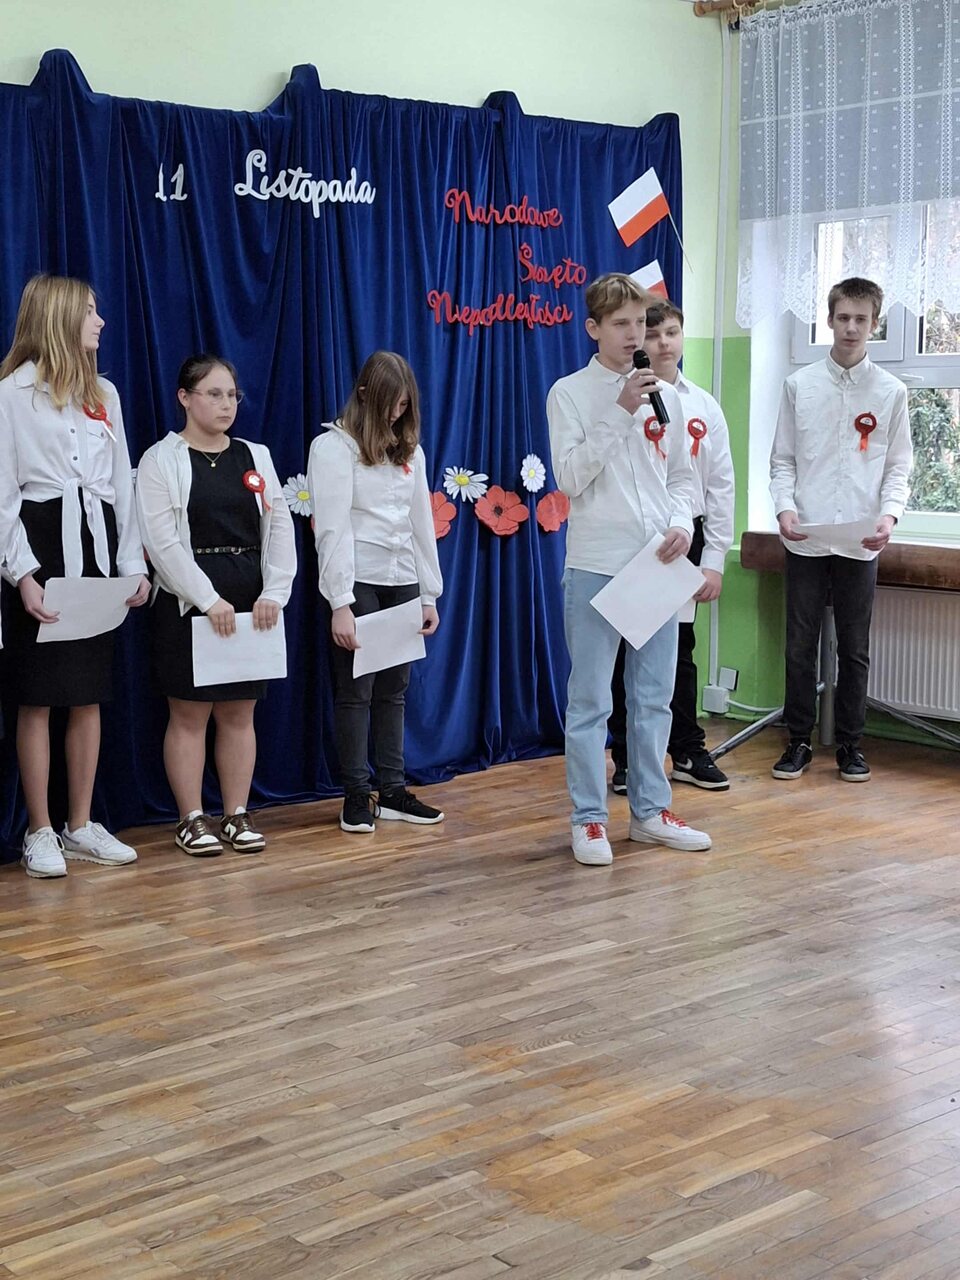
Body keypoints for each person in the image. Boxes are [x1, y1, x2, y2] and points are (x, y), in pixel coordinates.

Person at [547, 273, 711, 866]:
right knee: (591, 701)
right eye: (621, 324)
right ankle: (589, 819)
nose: (634, 335)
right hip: (598, 564)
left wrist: (682, 524)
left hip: (656, 564)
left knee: (654, 698)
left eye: (640, 323)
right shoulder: (570, 393)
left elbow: (681, 477)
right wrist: (620, 412)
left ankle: (650, 812)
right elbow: (570, 478)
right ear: (594, 328)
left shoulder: (664, 394)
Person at [0, 274, 149, 878]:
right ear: (59, 317)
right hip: (40, 548)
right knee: (37, 697)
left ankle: (80, 824)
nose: (100, 321)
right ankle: (39, 829)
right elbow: (3, 495)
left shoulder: (103, 393)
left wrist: (131, 565)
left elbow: (121, 484)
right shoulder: (11, 394)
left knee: (89, 692)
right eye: (89, 311)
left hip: (95, 545)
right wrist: (22, 573)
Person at [135, 354, 296, 854]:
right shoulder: (161, 459)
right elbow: (161, 542)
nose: (227, 405)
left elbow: (280, 526)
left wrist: (274, 592)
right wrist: (207, 599)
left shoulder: (255, 455)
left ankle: (236, 813)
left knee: (239, 714)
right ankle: (191, 818)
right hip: (189, 604)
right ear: (185, 398)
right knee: (189, 714)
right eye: (214, 394)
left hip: (250, 602)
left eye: (232, 395)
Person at [769, 276, 913, 782]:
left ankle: (851, 745)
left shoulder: (891, 392)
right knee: (799, 645)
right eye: (843, 317)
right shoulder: (799, 386)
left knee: (854, 648)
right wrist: (784, 509)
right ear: (829, 320)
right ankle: (798, 741)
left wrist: (889, 516)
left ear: (875, 324)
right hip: (805, 536)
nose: (851, 327)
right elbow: (783, 460)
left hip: (861, 539)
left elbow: (898, 466)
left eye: (861, 319)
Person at [307, 350, 444, 834]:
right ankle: (355, 793)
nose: (396, 413)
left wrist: (428, 594)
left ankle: (392, 789)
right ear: (365, 394)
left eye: (404, 405)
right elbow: (332, 529)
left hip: (401, 579)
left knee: (394, 691)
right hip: (358, 581)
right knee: (356, 692)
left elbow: (421, 524)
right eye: (390, 403)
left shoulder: (411, 451)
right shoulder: (334, 448)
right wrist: (340, 602)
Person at [607, 299, 735, 793]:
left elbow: (719, 486)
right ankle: (626, 757)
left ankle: (686, 749)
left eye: (672, 333)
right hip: (633, 534)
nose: (663, 343)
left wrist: (714, 559)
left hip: (684, 537)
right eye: (653, 333)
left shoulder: (703, 405)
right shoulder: (621, 398)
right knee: (625, 650)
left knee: (679, 650)